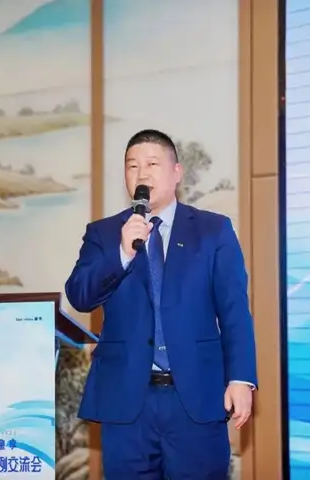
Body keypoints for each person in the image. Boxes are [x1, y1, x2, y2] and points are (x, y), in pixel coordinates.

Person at [65, 129, 257, 479]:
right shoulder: (104, 234)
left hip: (195, 398)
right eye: (132, 166)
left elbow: (234, 311)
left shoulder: (213, 230)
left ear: (176, 172)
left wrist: (241, 378)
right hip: (127, 402)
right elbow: (79, 295)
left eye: (152, 164)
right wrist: (122, 253)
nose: (142, 174)